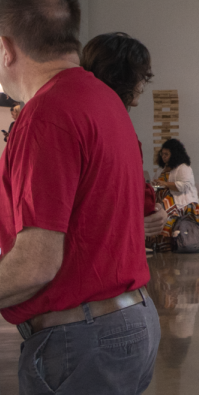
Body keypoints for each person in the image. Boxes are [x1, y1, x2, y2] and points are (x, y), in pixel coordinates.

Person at [0, 0, 159, 395]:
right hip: (123, 322)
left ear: (6, 47)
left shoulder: (47, 115)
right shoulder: (101, 100)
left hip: (79, 338)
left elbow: (39, 260)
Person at [79, 32, 167, 242]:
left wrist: (153, 212)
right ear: (121, 76)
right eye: (140, 76)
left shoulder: (108, 120)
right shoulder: (105, 125)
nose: (142, 85)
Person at [153, 138, 199, 250]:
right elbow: (157, 182)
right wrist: (154, 183)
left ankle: (164, 245)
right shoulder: (162, 169)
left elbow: (183, 186)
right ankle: (156, 244)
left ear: (174, 154)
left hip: (184, 203)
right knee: (154, 212)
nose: (163, 156)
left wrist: (164, 183)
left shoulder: (184, 168)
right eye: (162, 154)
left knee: (164, 215)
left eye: (166, 154)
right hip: (166, 201)